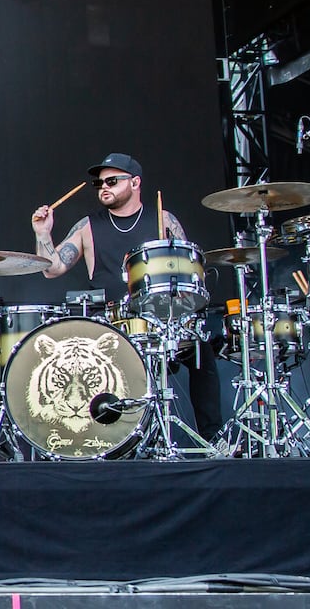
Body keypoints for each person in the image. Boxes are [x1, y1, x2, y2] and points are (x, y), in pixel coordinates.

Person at [30, 152, 223, 443]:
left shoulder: (164, 219)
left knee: (201, 351)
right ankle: (110, 442)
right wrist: (43, 234)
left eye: (112, 181)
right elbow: (52, 269)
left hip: (160, 319)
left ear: (134, 183)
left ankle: (213, 437)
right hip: (112, 323)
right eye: (99, 183)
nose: (103, 187)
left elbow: (189, 271)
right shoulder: (87, 226)